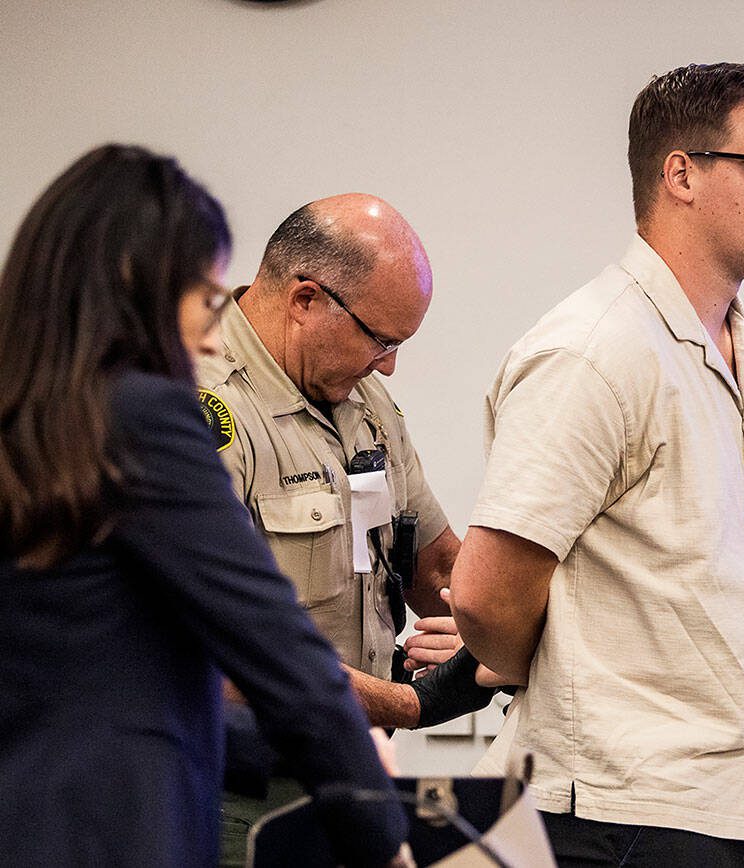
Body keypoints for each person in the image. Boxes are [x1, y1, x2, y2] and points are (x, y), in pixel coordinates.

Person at [0, 144, 412, 867]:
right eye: (205, 293)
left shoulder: (31, 425)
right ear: (140, 288)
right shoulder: (146, 419)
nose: (211, 325)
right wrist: (378, 820)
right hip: (117, 828)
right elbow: (271, 644)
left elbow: (107, 672)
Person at [450, 61, 744, 866]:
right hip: (621, 815)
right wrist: (544, 674)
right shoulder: (593, 350)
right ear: (680, 173)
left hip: (739, 806)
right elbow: (484, 594)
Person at [194, 195, 495, 862]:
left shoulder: (362, 398)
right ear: (305, 299)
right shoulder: (199, 409)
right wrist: (407, 702)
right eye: (382, 339)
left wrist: (505, 633)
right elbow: (210, 647)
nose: (389, 364)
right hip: (236, 797)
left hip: (351, 781)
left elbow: (438, 569)